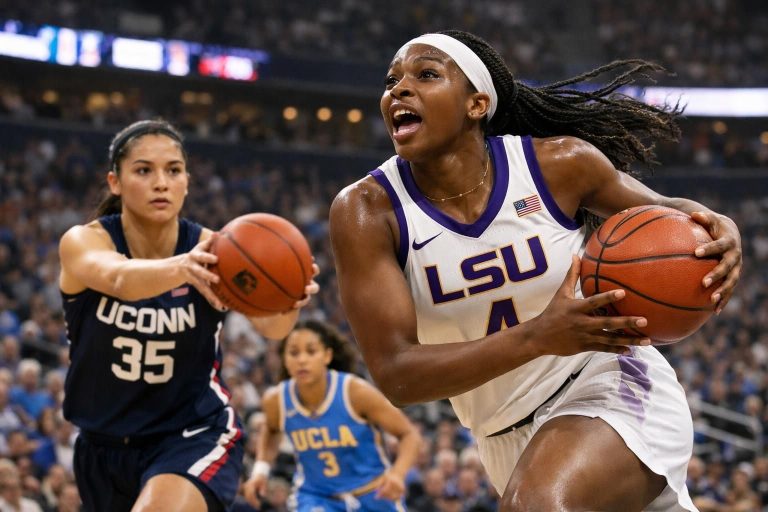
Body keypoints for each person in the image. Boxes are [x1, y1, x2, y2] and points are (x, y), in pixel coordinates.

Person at [329, 30, 742, 511]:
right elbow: (398, 376)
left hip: (606, 383)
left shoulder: (556, 164)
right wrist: (539, 336)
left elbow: (672, 214)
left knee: (536, 505)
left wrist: (722, 227)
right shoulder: (365, 211)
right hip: (502, 437)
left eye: (426, 75)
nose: (398, 89)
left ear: (476, 104)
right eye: (391, 80)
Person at [58, 119, 319, 512]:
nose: (161, 182)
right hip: (102, 444)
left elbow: (273, 328)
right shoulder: (85, 241)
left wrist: (287, 300)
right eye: (144, 170)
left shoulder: (217, 250)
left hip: (192, 433)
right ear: (115, 182)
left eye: (173, 170)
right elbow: (117, 277)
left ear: (186, 182)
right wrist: (182, 268)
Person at [242, 320, 421, 511]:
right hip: (316, 498)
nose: (302, 360)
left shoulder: (355, 392)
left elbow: (409, 434)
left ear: (327, 356)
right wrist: (260, 471)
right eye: (294, 353)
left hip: (373, 494)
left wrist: (398, 474)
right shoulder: (275, 400)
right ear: (284, 359)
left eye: (311, 352)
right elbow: (271, 429)